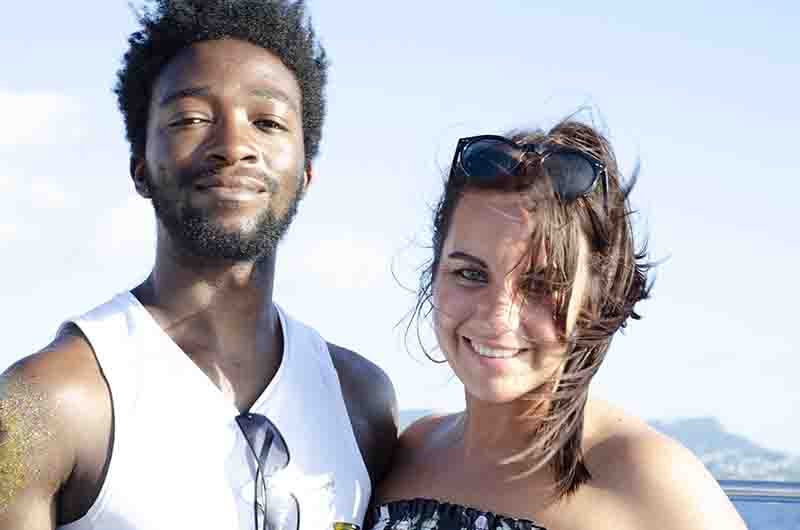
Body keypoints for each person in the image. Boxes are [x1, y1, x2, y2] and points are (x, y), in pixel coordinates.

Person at [0, 1, 397, 529]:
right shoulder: (44, 403)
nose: (234, 147)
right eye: (190, 119)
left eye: (268, 122)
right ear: (140, 167)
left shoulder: (362, 402)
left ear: (306, 173)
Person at [367, 120, 747, 529]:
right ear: (435, 272)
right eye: (471, 275)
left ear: (596, 297)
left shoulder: (650, 482)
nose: (499, 316)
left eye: (541, 285)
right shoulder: (411, 450)